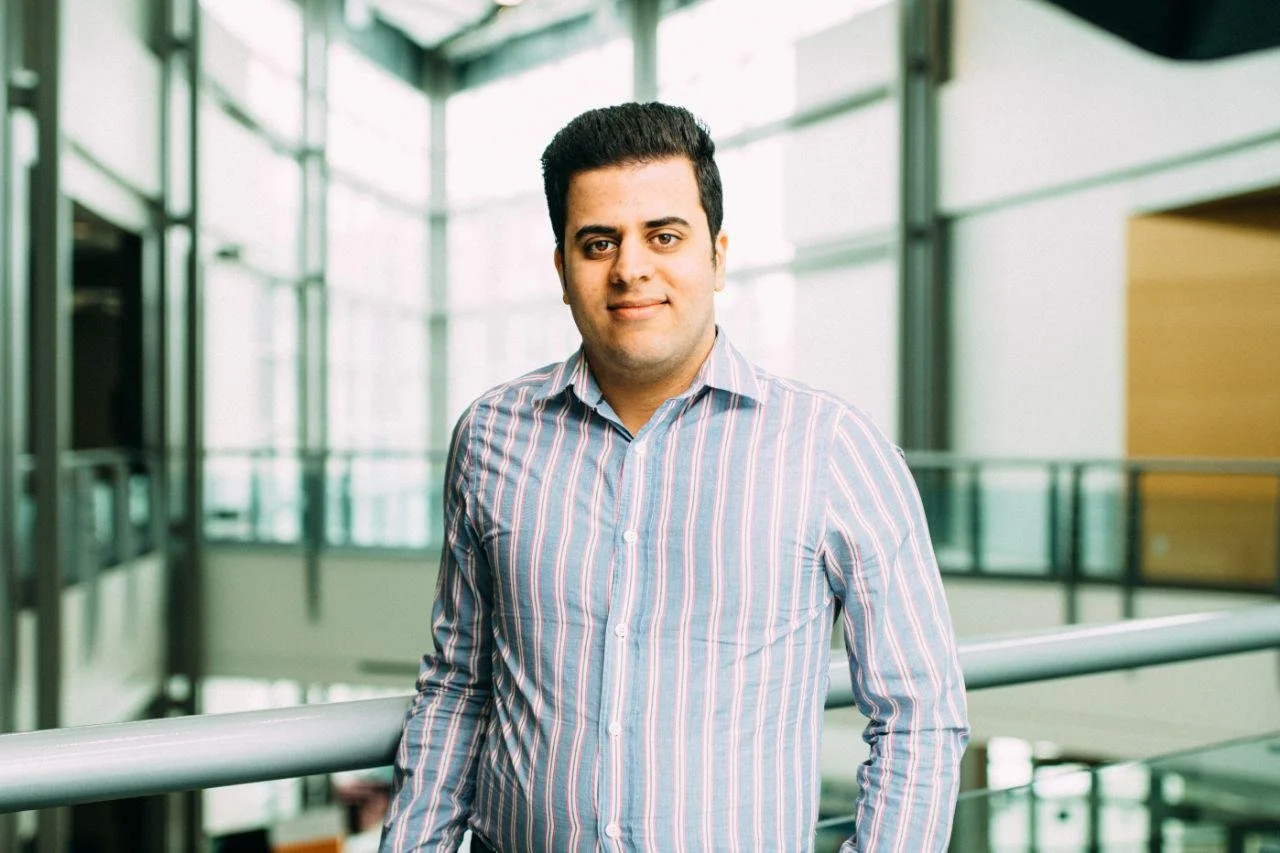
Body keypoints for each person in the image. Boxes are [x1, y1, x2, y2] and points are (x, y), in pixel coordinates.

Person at [380, 102, 968, 853]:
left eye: (664, 236)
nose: (631, 268)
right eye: (599, 243)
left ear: (717, 256)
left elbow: (919, 712)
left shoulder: (833, 448)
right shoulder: (491, 437)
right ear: (563, 271)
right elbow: (460, 686)